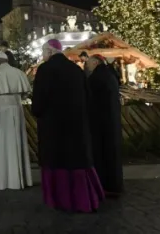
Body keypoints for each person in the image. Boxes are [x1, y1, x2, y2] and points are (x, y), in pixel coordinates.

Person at [32, 39, 104, 213]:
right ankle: (82, 199)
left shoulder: (44, 70)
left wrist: (38, 112)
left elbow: (39, 102)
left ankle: (59, 199)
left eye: (43, 52)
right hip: (76, 125)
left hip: (53, 127)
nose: (42, 55)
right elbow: (88, 97)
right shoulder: (76, 69)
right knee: (76, 161)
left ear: (49, 52)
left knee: (56, 163)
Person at [0, 51, 33, 190]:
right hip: (17, 110)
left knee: (0, 144)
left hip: (0, 113)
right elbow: (25, 93)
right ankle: (21, 180)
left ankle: (1, 180)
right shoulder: (19, 73)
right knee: (17, 142)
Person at [85, 54, 124, 197]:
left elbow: (90, 99)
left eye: (88, 63)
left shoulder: (96, 78)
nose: (87, 66)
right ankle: (115, 184)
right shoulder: (109, 74)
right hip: (111, 119)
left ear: (95, 62)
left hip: (100, 122)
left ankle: (104, 184)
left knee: (102, 154)